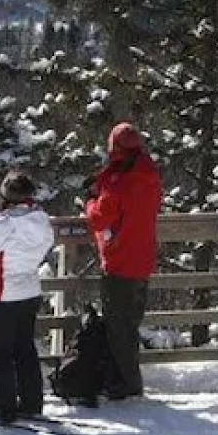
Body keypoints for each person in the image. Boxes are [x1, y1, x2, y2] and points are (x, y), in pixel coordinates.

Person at [0, 170, 55, 421]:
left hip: (3, 293)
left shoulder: (5, 223)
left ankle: (4, 408)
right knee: (24, 349)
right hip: (29, 289)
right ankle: (31, 402)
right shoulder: (40, 219)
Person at [85, 122, 162, 401]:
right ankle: (124, 379)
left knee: (119, 328)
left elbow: (98, 218)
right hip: (142, 259)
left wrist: (91, 200)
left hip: (120, 261)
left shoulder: (119, 183)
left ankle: (126, 383)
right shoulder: (149, 175)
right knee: (129, 323)